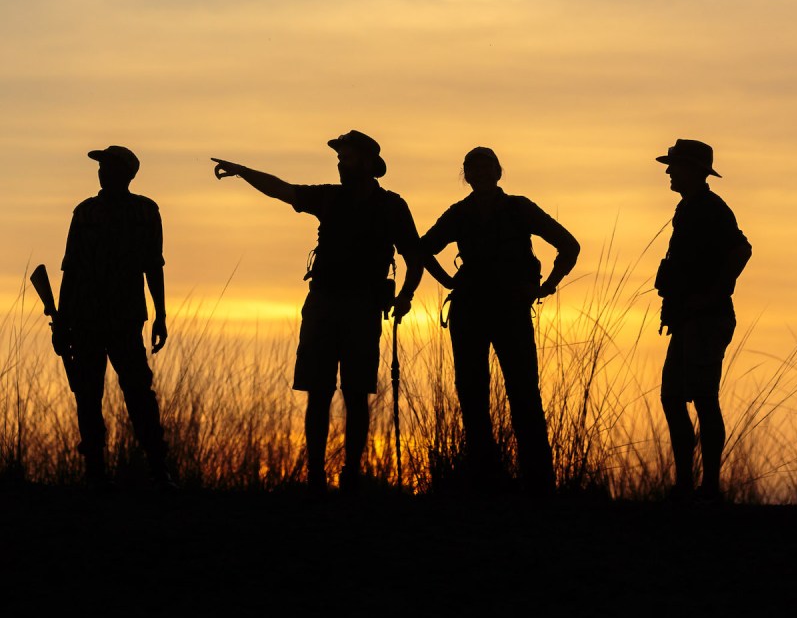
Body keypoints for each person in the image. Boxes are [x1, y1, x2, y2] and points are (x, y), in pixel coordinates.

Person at [212, 131, 423, 493]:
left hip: (362, 307)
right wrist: (242, 171)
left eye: (348, 158)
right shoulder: (328, 196)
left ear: (369, 163)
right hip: (323, 303)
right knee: (319, 391)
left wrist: (404, 296)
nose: (341, 164)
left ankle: (352, 477)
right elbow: (282, 190)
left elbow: (414, 256)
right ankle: (315, 477)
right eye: (339, 159)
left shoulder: (392, 206)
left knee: (356, 394)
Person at [420, 147, 580, 495]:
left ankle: (538, 484)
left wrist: (548, 286)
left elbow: (569, 245)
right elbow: (421, 249)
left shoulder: (519, 208)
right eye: (473, 166)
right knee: (472, 394)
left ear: (498, 171)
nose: (479, 171)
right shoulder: (459, 214)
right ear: (467, 175)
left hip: (510, 310)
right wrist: (449, 282)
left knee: (523, 393)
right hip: (470, 311)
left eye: (486, 165)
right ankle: (486, 480)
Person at [54, 145, 174, 490]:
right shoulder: (86, 213)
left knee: (138, 394)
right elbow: (70, 270)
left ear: (125, 174)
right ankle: (95, 470)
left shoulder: (145, 212)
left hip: (124, 320)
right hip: (86, 320)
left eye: (108, 166)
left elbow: (154, 266)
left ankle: (158, 467)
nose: (102, 172)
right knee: (89, 394)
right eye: (101, 166)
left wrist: (161, 315)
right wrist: (62, 321)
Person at [654, 139, 751, 504]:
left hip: (706, 320)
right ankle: (686, 485)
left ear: (692, 170)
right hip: (688, 319)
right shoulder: (689, 208)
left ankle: (708, 487)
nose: (668, 171)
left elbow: (742, 249)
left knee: (704, 399)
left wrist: (712, 295)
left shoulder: (711, 209)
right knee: (673, 397)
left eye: (674, 165)